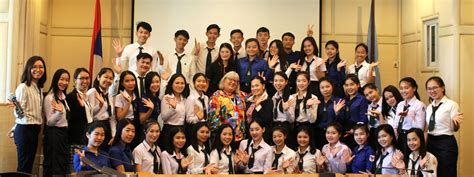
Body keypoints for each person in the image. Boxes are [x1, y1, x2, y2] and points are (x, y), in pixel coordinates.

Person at [11, 56, 47, 174]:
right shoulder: (23, 87)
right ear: (28, 69)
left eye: (41, 67)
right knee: (24, 166)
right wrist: (17, 106)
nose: (38, 69)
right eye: (34, 67)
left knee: (28, 165)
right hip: (26, 129)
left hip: (34, 129)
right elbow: (20, 115)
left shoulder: (38, 88)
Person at [425, 76, 462, 177]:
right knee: (431, 173)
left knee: (446, 172)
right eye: (429, 89)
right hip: (431, 142)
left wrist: (455, 122)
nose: (432, 91)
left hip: (445, 143)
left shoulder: (451, 105)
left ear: (442, 88)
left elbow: (455, 129)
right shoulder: (429, 107)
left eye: (435, 87)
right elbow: (427, 128)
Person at [43, 69, 70, 177]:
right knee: (53, 165)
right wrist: (60, 112)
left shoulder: (63, 96)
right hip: (54, 134)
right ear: (55, 80)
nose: (64, 82)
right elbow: (49, 122)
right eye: (61, 79)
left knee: (61, 164)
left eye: (67, 80)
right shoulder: (50, 98)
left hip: (63, 134)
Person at [208, 71, 246, 143]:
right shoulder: (216, 96)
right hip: (223, 138)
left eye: (235, 81)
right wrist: (226, 127)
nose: (233, 82)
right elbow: (212, 120)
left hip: (240, 138)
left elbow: (256, 95)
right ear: (224, 80)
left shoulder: (241, 96)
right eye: (230, 79)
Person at [393, 77, 425, 157]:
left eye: (406, 88)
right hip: (400, 136)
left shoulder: (419, 105)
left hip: (411, 138)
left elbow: (420, 128)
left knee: (409, 161)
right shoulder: (400, 104)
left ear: (414, 88)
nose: (403, 91)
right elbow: (396, 122)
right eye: (401, 88)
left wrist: (409, 116)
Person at [87, 67, 116, 151]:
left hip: (107, 128)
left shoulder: (109, 96)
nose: (108, 80)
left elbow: (112, 117)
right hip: (95, 127)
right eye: (106, 77)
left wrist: (113, 134)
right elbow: (89, 114)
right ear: (99, 77)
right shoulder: (92, 92)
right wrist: (100, 105)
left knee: (104, 155)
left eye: (111, 78)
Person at [160, 74, 190, 149]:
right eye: (177, 83)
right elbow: (164, 118)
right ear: (171, 84)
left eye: (182, 83)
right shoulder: (167, 97)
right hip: (169, 130)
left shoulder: (185, 99)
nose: (180, 85)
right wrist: (173, 108)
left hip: (182, 130)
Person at [67, 68, 93, 151]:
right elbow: (71, 120)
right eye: (82, 78)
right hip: (76, 140)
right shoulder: (71, 97)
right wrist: (81, 107)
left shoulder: (87, 97)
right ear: (75, 81)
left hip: (86, 139)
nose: (85, 81)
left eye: (87, 78)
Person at [315, 77, 345, 150]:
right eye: (322, 87)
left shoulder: (338, 101)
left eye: (327, 86)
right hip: (318, 134)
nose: (325, 89)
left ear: (332, 86)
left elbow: (343, 121)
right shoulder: (316, 101)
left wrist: (337, 113)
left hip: (333, 135)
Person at [341, 74, 368, 149]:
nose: (349, 87)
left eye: (352, 84)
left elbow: (364, 118)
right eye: (346, 85)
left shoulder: (362, 99)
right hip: (344, 131)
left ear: (358, 85)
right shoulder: (344, 99)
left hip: (356, 132)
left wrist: (354, 130)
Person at [245, 76, 273, 143]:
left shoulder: (267, 100)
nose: (254, 88)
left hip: (264, 136)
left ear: (263, 86)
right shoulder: (249, 100)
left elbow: (266, 118)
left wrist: (258, 106)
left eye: (257, 85)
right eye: (252, 86)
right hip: (250, 135)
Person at [271, 72, 295, 148]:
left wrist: (286, 110)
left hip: (286, 128)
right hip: (275, 127)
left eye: (281, 81)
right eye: (276, 80)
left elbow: (292, 120)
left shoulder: (290, 98)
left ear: (286, 82)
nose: (278, 83)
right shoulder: (273, 98)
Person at [363, 83, 384, 148]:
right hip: (373, 133)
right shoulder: (370, 106)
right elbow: (371, 123)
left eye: (371, 92)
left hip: (383, 132)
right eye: (367, 95)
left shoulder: (385, 103)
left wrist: (379, 117)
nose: (369, 96)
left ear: (377, 90)